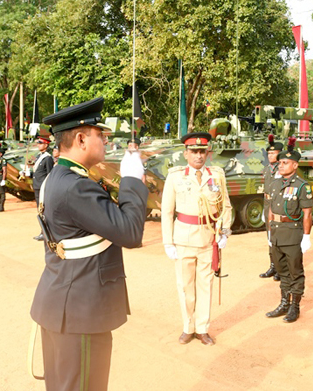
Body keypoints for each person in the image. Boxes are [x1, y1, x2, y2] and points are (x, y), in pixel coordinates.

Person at [29, 97, 147, 391]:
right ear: (81, 139)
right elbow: (130, 231)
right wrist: (133, 179)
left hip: (64, 304)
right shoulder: (76, 185)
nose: (106, 140)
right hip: (80, 312)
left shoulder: (61, 177)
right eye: (100, 134)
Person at [161, 132, 232, 346]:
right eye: (194, 152)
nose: (198, 156)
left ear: (207, 153)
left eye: (202, 151)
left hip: (208, 237)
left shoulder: (216, 175)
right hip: (183, 238)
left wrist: (225, 232)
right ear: (186, 154)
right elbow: (166, 211)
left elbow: (225, 205)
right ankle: (188, 327)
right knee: (185, 286)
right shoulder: (175, 176)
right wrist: (168, 241)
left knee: (205, 285)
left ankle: (202, 328)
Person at [266, 137, 313, 323]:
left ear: (295, 165)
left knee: (295, 272)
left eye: (285, 163)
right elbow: (271, 207)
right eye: (279, 163)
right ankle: (284, 303)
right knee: (282, 271)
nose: (281, 166)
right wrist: (270, 230)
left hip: (292, 234)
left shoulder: (302, 186)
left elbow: (307, 213)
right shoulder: (275, 183)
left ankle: (295, 307)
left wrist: (306, 237)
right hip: (277, 233)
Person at [260, 134, 282, 281]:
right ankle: (273, 266)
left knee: (279, 237)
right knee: (269, 236)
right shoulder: (267, 169)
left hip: (278, 205)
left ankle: (281, 268)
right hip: (268, 204)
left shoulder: (283, 169)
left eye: (273, 153)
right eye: (268, 153)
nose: (270, 155)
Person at [32, 136, 55, 240]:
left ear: (46, 145)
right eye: (38, 143)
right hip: (37, 186)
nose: (38, 145)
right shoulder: (39, 157)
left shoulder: (48, 158)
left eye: (40, 143)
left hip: (42, 187)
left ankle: (45, 232)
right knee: (40, 210)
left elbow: (50, 174)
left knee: (44, 210)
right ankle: (43, 231)